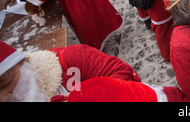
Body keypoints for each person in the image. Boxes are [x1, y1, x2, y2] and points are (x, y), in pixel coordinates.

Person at [0, 42, 140, 102]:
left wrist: (94, 94)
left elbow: (125, 74)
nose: (4, 96)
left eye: (7, 84)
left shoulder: (67, 61)